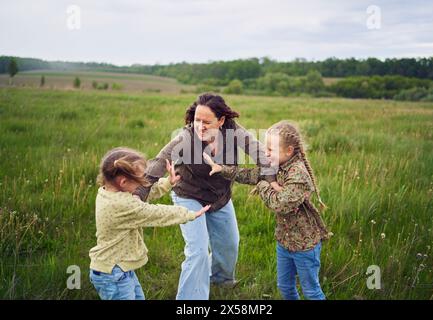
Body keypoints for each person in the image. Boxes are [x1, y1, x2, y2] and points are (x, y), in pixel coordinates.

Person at [134, 93, 277, 300]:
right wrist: (140, 192)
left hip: (219, 197)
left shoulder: (233, 131)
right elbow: (159, 160)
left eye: (207, 122)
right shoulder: (186, 137)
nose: (200, 126)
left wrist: (272, 178)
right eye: (197, 120)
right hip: (188, 195)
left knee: (229, 245)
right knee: (198, 250)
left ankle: (220, 280)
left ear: (221, 121)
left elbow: (259, 152)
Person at [204, 120, 331, 300]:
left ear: (288, 151)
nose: (266, 153)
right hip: (284, 242)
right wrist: (222, 169)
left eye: (271, 149)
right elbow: (251, 175)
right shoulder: (276, 166)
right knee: (285, 287)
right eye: (266, 148)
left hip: (305, 245)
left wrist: (264, 184)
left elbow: (279, 204)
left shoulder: (298, 175)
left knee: (311, 291)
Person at [89, 147, 210, 300]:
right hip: (113, 274)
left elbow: (141, 195)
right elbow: (157, 214)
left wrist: (167, 183)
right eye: (140, 181)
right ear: (123, 182)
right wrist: (189, 214)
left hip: (120, 268)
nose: (144, 184)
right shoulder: (123, 206)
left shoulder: (108, 192)